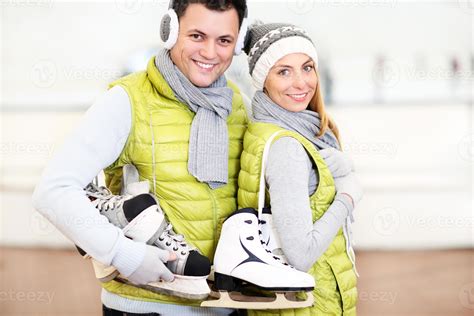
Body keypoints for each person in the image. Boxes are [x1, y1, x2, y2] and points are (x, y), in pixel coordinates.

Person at [32, 1, 248, 315]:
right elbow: (53, 191)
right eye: (197, 36)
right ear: (170, 31)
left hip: (226, 304)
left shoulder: (236, 101)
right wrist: (125, 256)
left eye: (224, 40)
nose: (211, 52)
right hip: (149, 305)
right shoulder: (127, 100)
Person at [238, 23, 363, 315]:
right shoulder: (288, 147)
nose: (301, 83)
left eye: (307, 68)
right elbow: (301, 254)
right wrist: (348, 198)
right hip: (307, 303)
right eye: (284, 71)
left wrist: (341, 168)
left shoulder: (286, 129)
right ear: (262, 80)